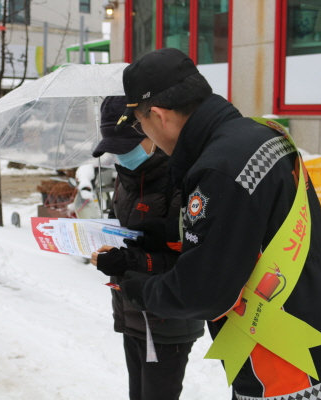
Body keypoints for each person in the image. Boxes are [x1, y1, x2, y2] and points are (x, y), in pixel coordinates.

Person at [115, 48, 321, 399]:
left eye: (140, 123)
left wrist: (139, 290)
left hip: (300, 373)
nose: (144, 134)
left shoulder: (217, 168)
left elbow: (203, 292)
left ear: (158, 115)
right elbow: (252, 227)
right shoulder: (261, 134)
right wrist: (170, 231)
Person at [89, 96, 205, 400]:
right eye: (113, 148)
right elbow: (126, 231)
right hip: (130, 307)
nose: (119, 155)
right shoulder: (126, 178)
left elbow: (193, 262)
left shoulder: (184, 179)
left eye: (125, 146)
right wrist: (107, 246)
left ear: (151, 132)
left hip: (167, 318)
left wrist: (130, 259)